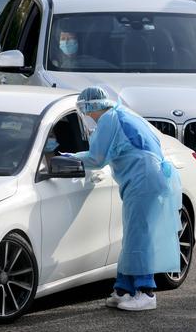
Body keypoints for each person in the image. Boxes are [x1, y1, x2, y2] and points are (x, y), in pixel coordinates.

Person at [71, 86, 182, 311]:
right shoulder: (123, 114)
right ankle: (123, 290)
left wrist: (70, 158)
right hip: (147, 178)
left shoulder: (108, 119)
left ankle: (146, 292)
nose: (85, 116)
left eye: (84, 110)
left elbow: (97, 158)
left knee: (138, 236)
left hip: (143, 179)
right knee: (132, 235)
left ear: (90, 107)